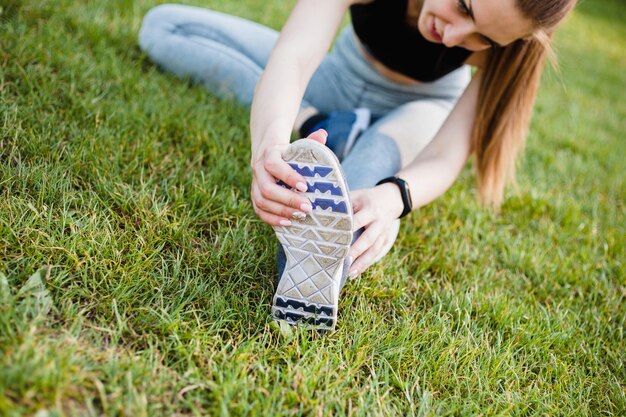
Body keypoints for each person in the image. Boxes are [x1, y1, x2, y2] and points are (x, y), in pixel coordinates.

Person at [138, 0, 577, 330]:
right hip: (337, 76)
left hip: (417, 109)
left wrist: (392, 199)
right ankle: (322, 122)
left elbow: (445, 156)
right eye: (463, 5)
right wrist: (269, 145)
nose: (455, 34)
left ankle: (308, 277)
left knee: (362, 187)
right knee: (167, 27)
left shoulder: (512, 40)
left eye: (482, 38)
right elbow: (295, 56)